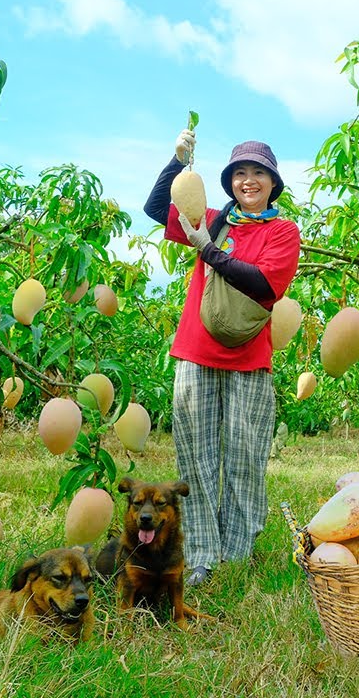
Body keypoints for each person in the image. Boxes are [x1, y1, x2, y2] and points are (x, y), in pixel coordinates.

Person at [142, 129, 301, 587]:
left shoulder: (283, 232)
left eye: (257, 174)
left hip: (250, 360)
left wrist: (206, 250)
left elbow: (263, 285)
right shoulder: (212, 220)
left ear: (272, 183)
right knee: (196, 457)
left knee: (245, 459)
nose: (248, 181)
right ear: (230, 181)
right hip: (196, 351)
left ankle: (238, 550)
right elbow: (157, 209)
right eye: (239, 174)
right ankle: (203, 555)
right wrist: (176, 160)